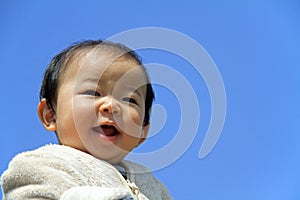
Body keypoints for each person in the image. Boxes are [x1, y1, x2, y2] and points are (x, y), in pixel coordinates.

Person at [1, 40, 171, 200]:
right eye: (93, 93)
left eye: (129, 100)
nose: (111, 105)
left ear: (142, 131)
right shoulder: (40, 164)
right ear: (50, 115)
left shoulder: (153, 185)